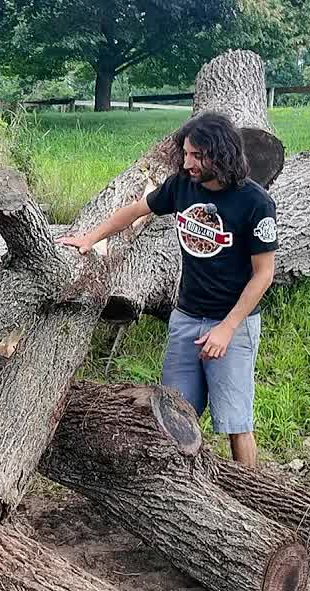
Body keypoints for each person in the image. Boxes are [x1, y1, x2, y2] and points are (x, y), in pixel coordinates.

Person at [61, 111, 277, 468]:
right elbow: (134, 210)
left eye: (197, 156)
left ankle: (249, 494)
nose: (187, 162)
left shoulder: (255, 203)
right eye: (186, 154)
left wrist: (226, 328)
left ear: (220, 155)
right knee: (175, 412)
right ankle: (186, 486)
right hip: (187, 318)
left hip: (232, 327)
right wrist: (91, 237)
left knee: (235, 422)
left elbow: (263, 275)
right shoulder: (181, 186)